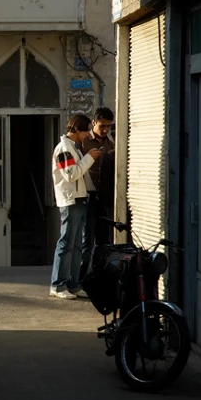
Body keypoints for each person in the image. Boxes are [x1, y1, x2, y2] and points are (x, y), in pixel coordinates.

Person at [50, 114, 102, 300]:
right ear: (77, 130)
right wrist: (89, 157)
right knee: (66, 244)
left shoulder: (73, 148)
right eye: (86, 130)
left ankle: (73, 284)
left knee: (77, 245)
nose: (88, 134)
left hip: (79, 200)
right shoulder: (64, 148)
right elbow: (70, 174)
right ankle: (58, 285)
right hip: (70, 201)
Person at [80, 107, 115, 278]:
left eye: (108, 126)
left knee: (104, 241)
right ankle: (81, 277)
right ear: (94, 123)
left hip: (105, 198)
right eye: (102, 126)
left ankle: (100, 276)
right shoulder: (84, 142)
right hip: (88, 197)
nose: (105, 130)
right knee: (87, 241)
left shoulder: (112, 143)